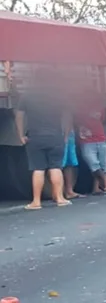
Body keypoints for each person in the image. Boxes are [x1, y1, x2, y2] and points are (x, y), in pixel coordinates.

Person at [14, 78, 72, 209]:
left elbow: (19, 116)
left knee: (38, 169)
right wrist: (66, 135)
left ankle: (36, 202)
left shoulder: (27, 95)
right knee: (56, 167)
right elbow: (68, 116)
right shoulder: (58, 96)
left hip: (35, 137)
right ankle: (60, 198)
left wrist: (21, 135)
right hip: (56, 137)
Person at [77, 95, 106, 194]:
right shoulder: (80, 109)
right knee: (93, 164)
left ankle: (96, 188)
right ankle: (104, 179)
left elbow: (102, 119)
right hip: (87, 140)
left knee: (101, 164)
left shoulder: (99, 107)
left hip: (100, 138)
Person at [62, 127, 81, 199]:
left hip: (67, 133)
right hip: (61, 133)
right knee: (58, 165)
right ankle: (63, 192)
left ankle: (68, 191)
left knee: (68, 163)